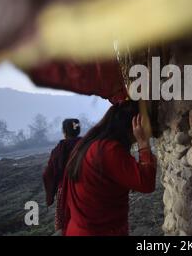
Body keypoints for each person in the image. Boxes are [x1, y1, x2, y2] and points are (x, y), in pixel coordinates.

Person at [60, 100, 156, 236]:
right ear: (134, 125)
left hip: (77, 228)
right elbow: (146, 183)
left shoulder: (91, 145)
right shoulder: (109, 150)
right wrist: (143, 144)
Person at [42, 118, 81, 233]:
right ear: (78, 130)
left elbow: (47, 174)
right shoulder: (87, 145)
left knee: (66, 224)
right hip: (86, 187)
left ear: (64, 131)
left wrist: (50, 196)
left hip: (64, 191)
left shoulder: (58, 150)